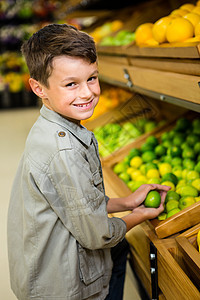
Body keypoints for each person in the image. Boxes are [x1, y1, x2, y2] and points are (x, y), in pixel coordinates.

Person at [7, 23, 170, 300]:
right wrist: (139, 216)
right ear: (38, 88)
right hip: (62, 287)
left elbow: (76, 203)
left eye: (92, 79)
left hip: (47, 267)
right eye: (71, 84)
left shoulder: (55, 125)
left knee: (119, 252)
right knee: (116, 247)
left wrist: (126, 202)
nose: (86, 93)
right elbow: (99, 236)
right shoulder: (64, 150)